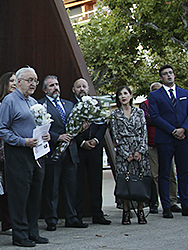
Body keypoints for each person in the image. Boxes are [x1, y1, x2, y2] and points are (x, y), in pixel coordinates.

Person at [0, 67, 51, 247]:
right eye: (29, 80)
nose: (33, 83)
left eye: (35, 80)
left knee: (35, 194)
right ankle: (19, 235)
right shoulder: (9, 101)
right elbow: (1, 130)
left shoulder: (34, 101)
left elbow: (38, 125)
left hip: (36, 153)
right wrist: (22, 141)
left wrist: (45, 135)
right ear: (18, 82)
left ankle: (33, 232)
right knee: (20, 195)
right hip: (18, 153)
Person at [148, 65, 188, 218]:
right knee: (164, 173)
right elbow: (155, 116)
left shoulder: (185, 93)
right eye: (165, 74)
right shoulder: (155, 95)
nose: (169, 75)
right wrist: (172, 130)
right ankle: (166, 206)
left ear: (174, 75)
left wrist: (183, 129)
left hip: (184, 137)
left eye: (171, 73)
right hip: (165, 138)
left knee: (183, 172)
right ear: (161, 78)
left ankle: (186, 205)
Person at [39, 75, 86, 230]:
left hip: (71, 152)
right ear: (45, 89)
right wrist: (57, 137)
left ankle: (71, 217)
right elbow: (40, 128)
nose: (55, 88)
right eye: (51, 85)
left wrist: (80, 129)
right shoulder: (41, 106)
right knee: (52, 188)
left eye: (57, 84)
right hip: (53, 152)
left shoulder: (68, 104)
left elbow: (74, 125)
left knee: (71, 187)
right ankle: (51, 220)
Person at [71, 78, 110, 225]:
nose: (81, 89)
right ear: (73, 90)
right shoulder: (71, 105)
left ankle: (98, 214)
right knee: (78, 183)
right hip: (79, 149)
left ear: (88, 89)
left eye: (84, 86)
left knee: (96, 182)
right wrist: (82, 142)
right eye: (78, 86)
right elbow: (70, 126)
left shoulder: (96, 104)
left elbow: (103, 125)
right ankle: (78, 214)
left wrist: (96, 140)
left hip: (95, 148)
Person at [109, 86, 149, 225]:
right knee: (125, 182)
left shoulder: (139, 112)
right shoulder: (115, 115)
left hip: (139, 151)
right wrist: (127, 154)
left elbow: (144, 133)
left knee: (139, 181)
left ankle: (141, 211)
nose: (123, 97)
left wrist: (139, 151)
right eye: (120, 95)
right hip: (123, 153)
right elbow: (116, 136)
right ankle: (126, 211)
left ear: (131, 96)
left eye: (125, 94)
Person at [140, 82, 181, 214]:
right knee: (155, 175)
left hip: (168, 142)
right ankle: (155, 202)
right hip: (152, 143)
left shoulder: (170, 101)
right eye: (155, 90)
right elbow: (149, 119)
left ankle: (172, 201)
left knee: (170, 174)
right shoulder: (145, 104)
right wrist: (163, 118)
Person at [0, 71, 16, 233]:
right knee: (6, 190)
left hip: (18, 150)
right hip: (2, 154)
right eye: (11, 81)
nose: (14, 83)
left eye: (16, 81)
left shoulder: (18, 100)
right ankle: (8, 223)